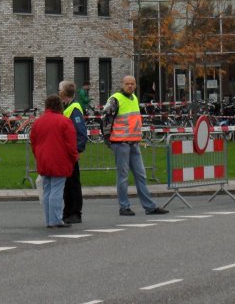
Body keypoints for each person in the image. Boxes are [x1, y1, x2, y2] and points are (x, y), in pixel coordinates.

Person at [102, 75, 167, 216]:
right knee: (123, 176)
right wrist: (108, 140)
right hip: (121, 143)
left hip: (133, 143)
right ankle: (124, 207)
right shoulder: (115, 99)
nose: (130, 86)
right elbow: (106, 119)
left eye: (132, 83)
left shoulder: (134, 98)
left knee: (141, 175)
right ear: (122, 84)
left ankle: (149, 206)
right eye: (127, 83)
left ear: (136, 85)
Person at [30, 94, 78, 229]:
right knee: (57, 190)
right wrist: (74, 157)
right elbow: (71, 143)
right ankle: (56, 219)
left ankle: (48, 220)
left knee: (47, 190)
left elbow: (33, 141)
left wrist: (37, 156)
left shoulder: (38, 122)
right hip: (59, 159)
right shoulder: (64, 121)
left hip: (43, 159)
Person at [59, 80, 88, 224]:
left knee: (73, 184)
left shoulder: (74, 109)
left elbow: (81, 133)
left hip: (71, 154)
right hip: (65, 154)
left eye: (60, 89)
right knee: (68, 185)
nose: (58, 92)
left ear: (63, 92)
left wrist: (78, 151)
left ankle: (75, 212)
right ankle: (68, 211)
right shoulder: (67, 107)